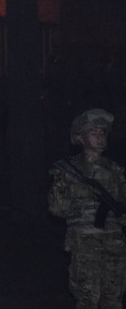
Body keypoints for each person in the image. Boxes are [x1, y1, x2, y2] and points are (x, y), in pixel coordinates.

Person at [48, 108, 126, 308]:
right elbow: (57, 208)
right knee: (87, 299)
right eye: (94, 132)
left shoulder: (116, 171)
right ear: (80, 138)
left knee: (113, 299)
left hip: (114, 243)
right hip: (84, 243)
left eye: (103, 133)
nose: (100, 137)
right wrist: (69, 189)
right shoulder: (69, 169)